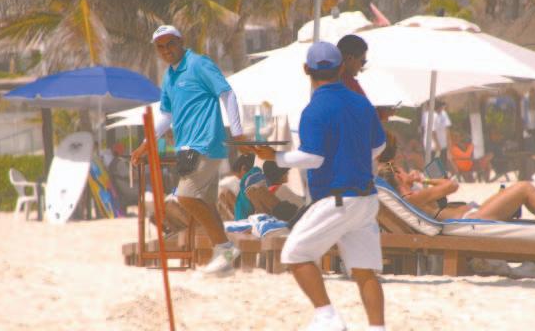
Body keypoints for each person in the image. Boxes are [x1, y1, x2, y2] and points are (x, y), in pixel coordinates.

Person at [254, 41, 387, 331]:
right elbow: (379, 146)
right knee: (365, 271)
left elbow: (313, 158)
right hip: (366, 198)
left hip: (337, 199)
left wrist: (275, 157)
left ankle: (327, 317)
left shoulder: (314, 109)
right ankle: (377, 328)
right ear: (341, 68)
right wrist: (350, 155)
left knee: (295, 254)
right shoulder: (361, 102)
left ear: (306, 70)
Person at [131, 24, 250, 276]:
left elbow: (227, 94)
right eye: (160, 47)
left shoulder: (198, 64)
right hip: (186, 148)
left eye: (170, 44)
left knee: (185, 197)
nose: (166, 50)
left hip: (206, 143)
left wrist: (237, 132)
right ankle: (225, 261)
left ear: (181, 41)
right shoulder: (169, 76)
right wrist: (145, 144)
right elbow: (166, 116)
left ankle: (226, 248)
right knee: (205, 203)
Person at [378, 162, 535, 228]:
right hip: (471, 219)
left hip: (473, 213)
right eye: (403, 170)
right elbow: (451, 185)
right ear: (398, 176)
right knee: (524, 188)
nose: (408, 171)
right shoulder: (413, 198)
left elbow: (447, 184)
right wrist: (422, 181)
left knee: (512, 191)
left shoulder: (414, 196)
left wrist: (422, 180)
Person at [232, 153, 264, 220]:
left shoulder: (248, 181)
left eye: (239, 176)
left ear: (243, 168)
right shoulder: (258, 177)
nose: (240, 179)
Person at [422, 100, 452, 167]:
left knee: (443, 166)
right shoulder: (430, 116)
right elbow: (432, 132)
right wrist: (437, 145)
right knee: (435, 168)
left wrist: (448, 146)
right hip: (433, 147)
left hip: (442, 146)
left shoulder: (443, 114)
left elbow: (447, 130)